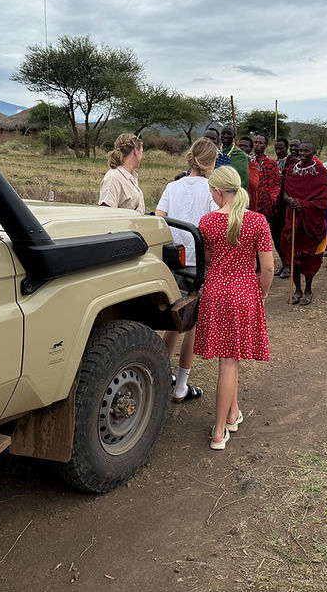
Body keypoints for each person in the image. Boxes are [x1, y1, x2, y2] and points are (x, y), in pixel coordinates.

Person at [193, 166, 273, 450]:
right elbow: (267, 268)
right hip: (244, 292)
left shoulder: (207, 221)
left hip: (215, 292)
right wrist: (261, 293)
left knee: (228, 358)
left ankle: (231, 413)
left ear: (217, 191)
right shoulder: (257, 221)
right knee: (230, 359)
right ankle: (219, 432)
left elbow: (208, 260)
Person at [155, 137, 220, 403]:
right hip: (198, 264)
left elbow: (158, 218)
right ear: (212, 162)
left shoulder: (173, 186)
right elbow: (216, 224)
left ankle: (160, 375)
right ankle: (181, 385)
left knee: (173, 319)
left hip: (172, 261)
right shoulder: (212, 190)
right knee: (190, 325)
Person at [280, 142, 327, 305]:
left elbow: (323, 199)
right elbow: (285, 192)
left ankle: (308, 289)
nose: (302, 153)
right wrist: (290, 200)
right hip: (293, 219)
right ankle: (297, 290)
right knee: (292, 256)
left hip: (310, 222)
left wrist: (303, 205)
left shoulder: (320, 171)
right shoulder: (291, 170)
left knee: (309, 258)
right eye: (300, 151)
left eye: (306, 151)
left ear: (314, 152)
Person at [98, 133, 145, 213]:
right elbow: (106, 214)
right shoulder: (113, 178)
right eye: (141, 151)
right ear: (136, 151)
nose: (142, 156)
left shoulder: (130, 177)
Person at [271, 138, 294, 276]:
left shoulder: (292, 163)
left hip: (287, 206)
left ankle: (288, 265)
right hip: (275, 206)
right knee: (275, 235)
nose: (278, 151)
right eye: (276, 149)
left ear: (287, 148)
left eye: (281, 148)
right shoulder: (274, 163)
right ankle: (283, 262)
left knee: (285, 236)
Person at [252, 135, 282, 222]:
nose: (257, 145)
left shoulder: (271, 163)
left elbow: (276, 183)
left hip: (266, 203)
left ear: (265, 146)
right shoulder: (248, 160)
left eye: (260, 143)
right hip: (251, 200)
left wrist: (272, 198)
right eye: (255, 142)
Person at [220, 125, 249, 190]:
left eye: (229, 134)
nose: (225, 136)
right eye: (223, 133)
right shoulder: (215, 152)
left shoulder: (240, 155)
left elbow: (243, 180)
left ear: (234, 136)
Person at [237, 136, 262, 212]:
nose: (242, 148)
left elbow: (253, 184)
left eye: (245, 146)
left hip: (249, 199)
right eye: (240, 146)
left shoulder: (254, 166)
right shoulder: (232, 161)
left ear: (251, 149)